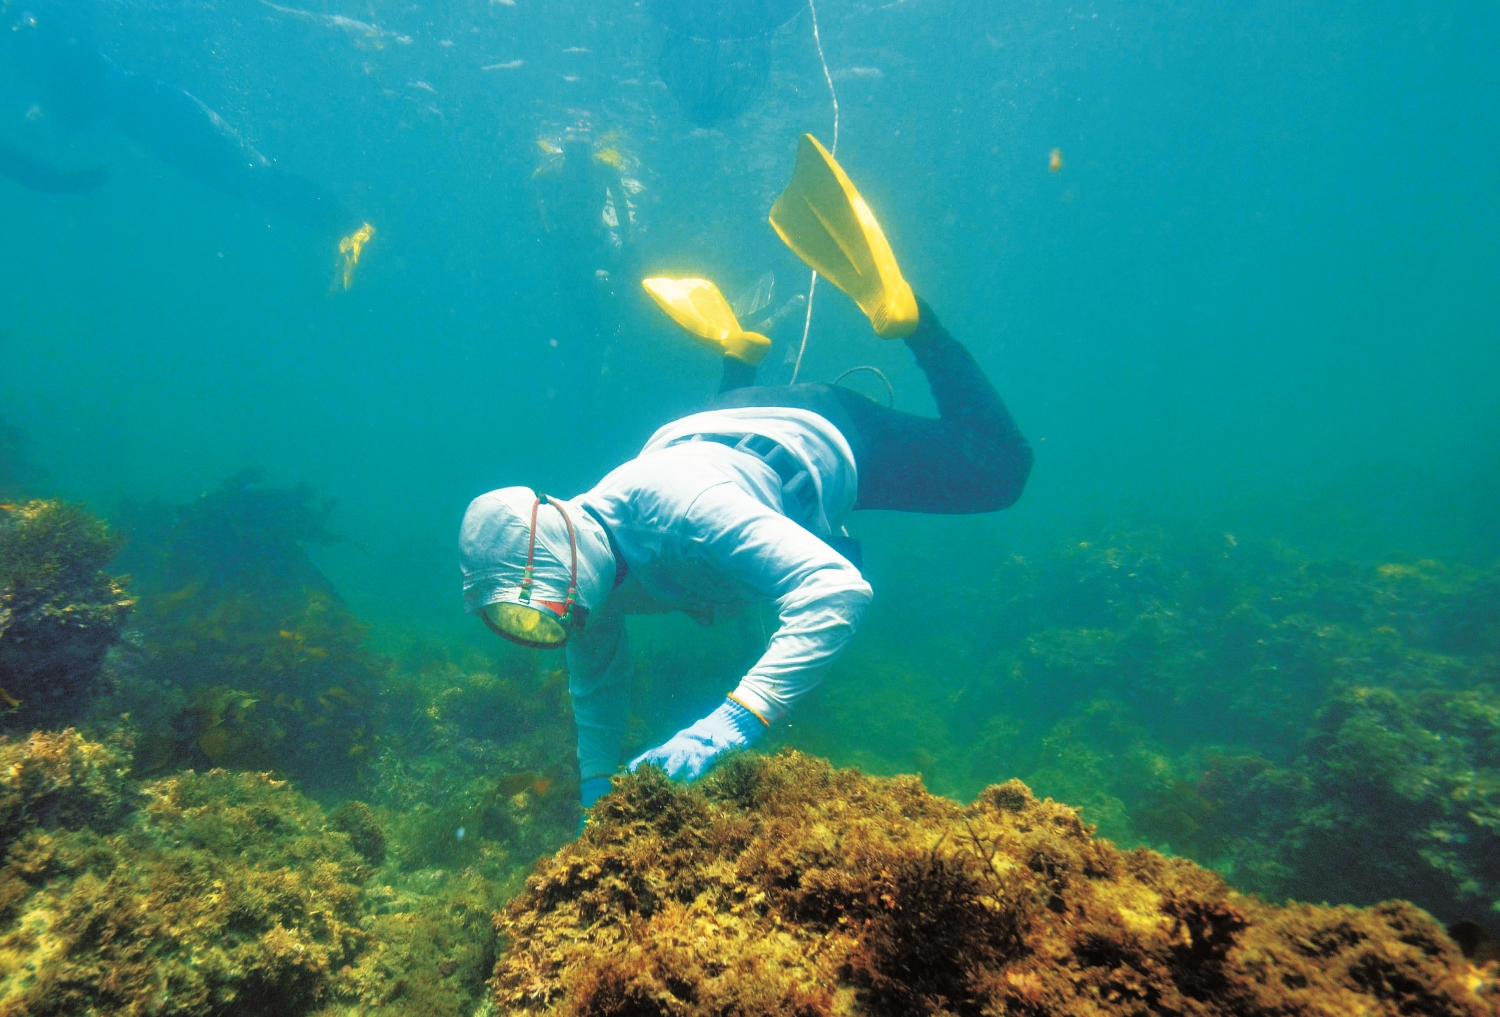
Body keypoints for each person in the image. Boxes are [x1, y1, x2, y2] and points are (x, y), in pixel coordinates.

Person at [459, 136, 1033, 807]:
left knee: (1001, 468)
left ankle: (908, 317)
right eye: (531, 621)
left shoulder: (687, 517)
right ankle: (738, 351)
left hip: (815, 432)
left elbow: (836, 589)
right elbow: (597, 683)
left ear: (553, 556)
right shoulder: (580, 581)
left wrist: (732, 722)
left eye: (538, 610)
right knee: (724, 534)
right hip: (706, 432)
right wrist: (596, 786)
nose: (552, 626)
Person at [4, 0, 352, 233]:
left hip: (153, 110)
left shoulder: (43, 32)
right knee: (243, 180)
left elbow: (81, 91)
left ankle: (342, 221)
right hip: (150, 114)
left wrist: (47, 124)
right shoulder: (44, 39)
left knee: (246, 177)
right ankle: (335, 221)